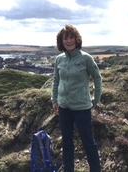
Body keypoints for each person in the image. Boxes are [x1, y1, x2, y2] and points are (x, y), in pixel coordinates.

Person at [51, 24, 102, 172]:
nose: (68, 41)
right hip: (64, 107)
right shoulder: (59, 59)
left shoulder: (86, 58)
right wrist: (54, 99)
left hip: (82, 108)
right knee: (67, 143)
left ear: (76, 39)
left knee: (88, 142)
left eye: (71, 37)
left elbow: (97, 78)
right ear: (61, 41)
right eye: (65, 38)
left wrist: (95, 99)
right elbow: (56, 80)